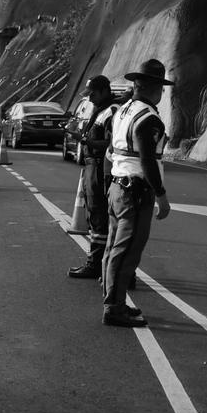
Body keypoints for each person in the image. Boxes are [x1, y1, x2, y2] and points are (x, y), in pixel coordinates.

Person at [101, 59, 173, 327]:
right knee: (127, 251)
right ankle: (114, 308)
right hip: (135, 192)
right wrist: (162, 196)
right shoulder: (149, 119)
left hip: (118, 188)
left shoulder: (123, 111)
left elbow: (111, 150)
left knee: (113, 248)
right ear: (155, 88)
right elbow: (147, 160)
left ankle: (114, 300)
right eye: (161, 88)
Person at [68, 75, 121, 279]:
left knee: (100, 217)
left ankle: (96, 265)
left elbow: (110, 144)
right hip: (93, 166)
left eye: (92, 94)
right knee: (95, 216)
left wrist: (83, 140)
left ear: (104, 91)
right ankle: (98, 263)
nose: (89, 99)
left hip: (101, 168)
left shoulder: (112, 111)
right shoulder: (102, 110)